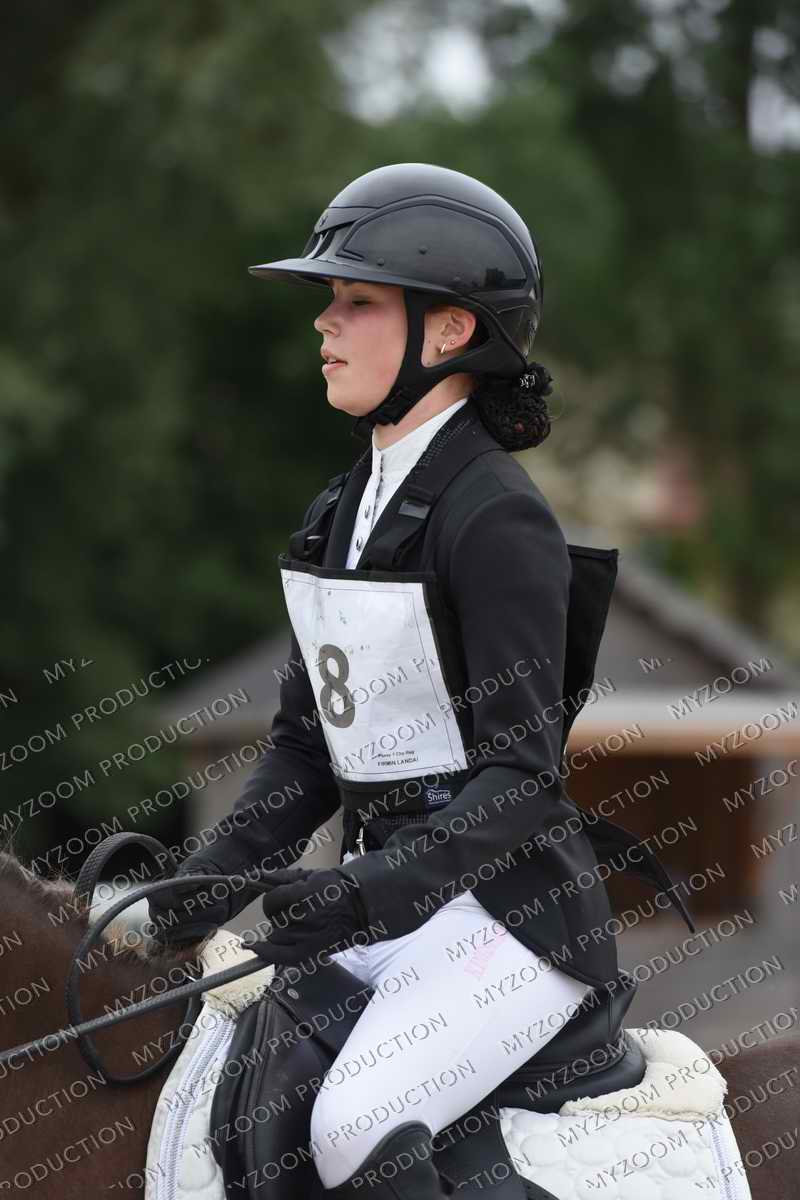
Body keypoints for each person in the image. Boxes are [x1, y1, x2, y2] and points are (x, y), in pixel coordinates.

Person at [147, 164, 694, 1197]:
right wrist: (200, 882)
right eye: (329, 301)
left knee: (352, 1125)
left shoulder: (497, 519)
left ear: (448, 331)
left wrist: (362, 890)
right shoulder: (339, 512)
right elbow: (306, 751)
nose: (325, 324)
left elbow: (521, 781)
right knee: (238, 1096)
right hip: (388, 910)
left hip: (507, 924)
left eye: (357, 301)